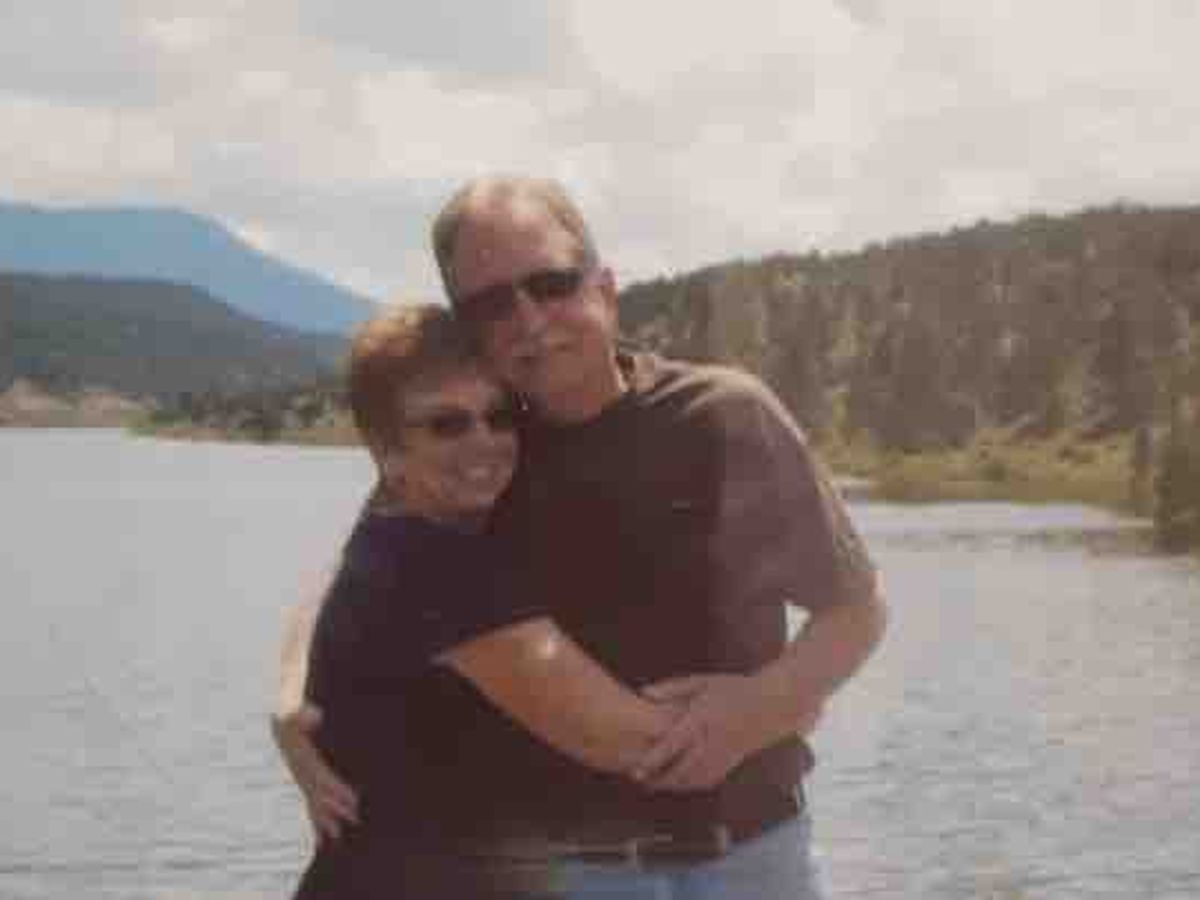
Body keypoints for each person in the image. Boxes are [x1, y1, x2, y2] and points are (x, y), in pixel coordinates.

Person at [278, 176, 887, 899]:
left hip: (757, 855)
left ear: (604, 286)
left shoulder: (723, 417)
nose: (529, 319)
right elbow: (367, 565)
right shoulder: (478, 447)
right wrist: (291, 700)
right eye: (491, 305)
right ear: (469, 329)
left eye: (551, 284)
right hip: (575, 873)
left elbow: (857, 607)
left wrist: (769, 703)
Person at [281, 303, 684, 899]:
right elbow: (632, 742)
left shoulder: (397, 537)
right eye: (447, 424)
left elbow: (331, 582)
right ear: (387, 451)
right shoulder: (439, 568)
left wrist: (287, 695)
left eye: (499, 417)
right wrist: (771, 701)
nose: (484, 442)